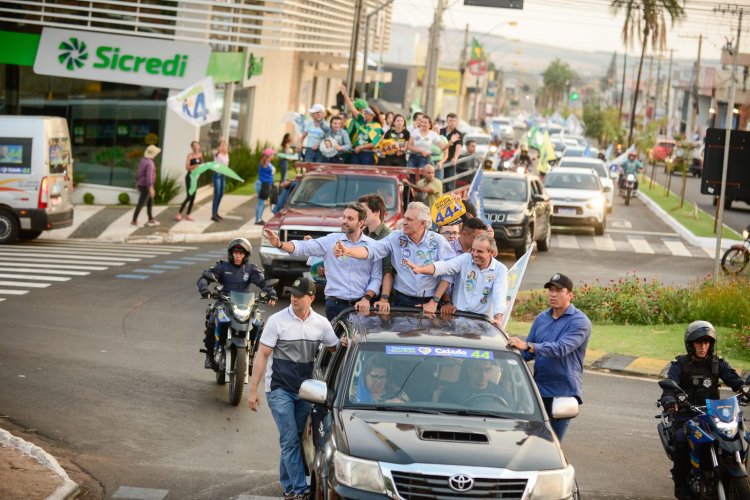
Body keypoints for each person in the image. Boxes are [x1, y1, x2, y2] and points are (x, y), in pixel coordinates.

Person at [247, 277, 344, 500]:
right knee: (289, 439)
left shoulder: (321, 324)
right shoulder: (276, 321)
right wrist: (253, 390)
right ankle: (299, 489)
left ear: (311, 297)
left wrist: (343, 344)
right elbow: (262, 355)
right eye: (292, 293)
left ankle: (288, 485)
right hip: (279, 389)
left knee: (296, 438)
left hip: (305, 391)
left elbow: (333, 348)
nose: (293, 298)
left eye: (299, 295)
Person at [659, 321, 747, 499]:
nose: (703, 346)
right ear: (691, 345)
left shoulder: (717, 363)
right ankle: (681, 484)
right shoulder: (679, 365)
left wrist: (745, 389)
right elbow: (669, 389)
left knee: (740, 434)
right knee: (681, 439)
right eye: (699, 342)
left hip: (713, 413)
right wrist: (669, 400)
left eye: (707, 342)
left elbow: (736, 381)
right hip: (687, 414)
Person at [507, 273, 591, 441]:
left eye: (559, 291)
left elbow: (561, 348)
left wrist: (528, 346)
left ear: (570, 295)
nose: (553, 294)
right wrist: (507, 348)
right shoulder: (541, 318)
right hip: (537, 391)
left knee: (552, 444)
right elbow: (526, 352)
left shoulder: (580, 322)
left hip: (563, 393)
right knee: (528, 442)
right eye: (551, 290)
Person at [263, 203, 382, 321]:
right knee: (335, 340)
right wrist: (280, 244)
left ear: (361, 223)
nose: (344, 221)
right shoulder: (331, 240)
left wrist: (366, 298)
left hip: (361, 306)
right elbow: (303, 247)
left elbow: (376, 278)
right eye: (344, 217)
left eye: (350, 218)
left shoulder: (372, 246)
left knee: (357, 340)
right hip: (335, 305)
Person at [334, 202, 454, 313]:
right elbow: (372, 250)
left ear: (422, 223)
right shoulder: (395, 237)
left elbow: (449, 272)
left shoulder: (438, 241)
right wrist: (348, 251)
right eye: (405, 218)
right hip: (402, 300)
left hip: (430, 301)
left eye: (409, 219)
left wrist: (434, 301)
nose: (404, 222)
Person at [196, 238, 278, 369]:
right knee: (212, 321)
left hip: (245, 304)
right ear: (231, 253)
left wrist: (271, 294)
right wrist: (205, 290)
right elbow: (204, 278)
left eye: (241, 253)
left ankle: (251, 355)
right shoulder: (222, 266)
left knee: (258, 323)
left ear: (246, 255)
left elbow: (265, 283)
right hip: (224, 302)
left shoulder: (251, 269)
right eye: (236, 252)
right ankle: (210, 355)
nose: (238, 256)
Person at [403, 234, 507, 324]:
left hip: (482, 322)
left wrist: (497, 319)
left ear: (491, 252)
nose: (474, 254)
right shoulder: (465, 258)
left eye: (479, 251)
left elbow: (499, 296)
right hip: (458, 318)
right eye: (473, 250)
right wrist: (420, 269)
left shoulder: (500, 270)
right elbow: (444, 267)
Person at [358, 194, 395, 314]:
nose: (360, 214)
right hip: (362, 292)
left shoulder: (388, 237)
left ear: (376, 212)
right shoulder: (361, 234)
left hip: (379, 297)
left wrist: (384, 298)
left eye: (364, 211)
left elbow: (388, 270)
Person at [440, 359, 511, 406]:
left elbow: (511, 415)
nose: (483, 374)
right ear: (469, 371)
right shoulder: (450, 392)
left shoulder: (502, 394)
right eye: (478, 370)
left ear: (491, 370)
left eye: (487, 370)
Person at [131, 145, 161, 227]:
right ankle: (134, 221)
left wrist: (137, 183)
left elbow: (138, 173)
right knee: (141, 203)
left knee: (150, 202)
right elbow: (149, 176)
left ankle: (150, 219)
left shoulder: (143, 160)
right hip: (146, 186)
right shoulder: (150, 163)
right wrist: (151, 188)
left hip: (142, 184)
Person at [176, 141, 201, 221]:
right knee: (189, 196)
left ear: (199, 146)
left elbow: (202, 165)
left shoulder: (200, 155)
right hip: (189, 177)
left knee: (193, 197)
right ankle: (179, 213)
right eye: (193, 146)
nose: (195, 147)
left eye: (196, 145)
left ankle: (188, 214)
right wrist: (195, 166)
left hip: (195, 178)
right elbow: (187, 167)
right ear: (192, 147)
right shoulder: (190, 156)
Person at [255, 148, 275, 225]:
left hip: (267, 185)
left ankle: (259, 218)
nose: (273, 156)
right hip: (263, 184)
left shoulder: (268, 163)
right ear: (269, 155)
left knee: (265, 203)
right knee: (261, 202)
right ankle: (258, 220)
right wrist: (266, 156)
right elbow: (265, 165)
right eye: (272, 154)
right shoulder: (264, 163)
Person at [211, 139, 229, 222]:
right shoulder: (217, 154)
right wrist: (221, 141)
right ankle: (213, 214)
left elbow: (226, 165)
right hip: (217, 175)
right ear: (219, 146)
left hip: (223, 175)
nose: (224, 146)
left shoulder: (226, 154)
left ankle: (216, 212)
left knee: (221, 194)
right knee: (217, 194)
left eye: (225, 145)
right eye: (222, 145)